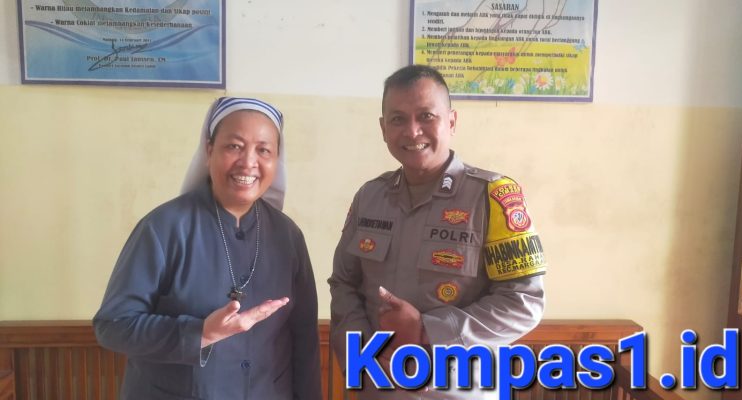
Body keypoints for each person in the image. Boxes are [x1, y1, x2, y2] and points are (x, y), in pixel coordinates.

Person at [328, 65, 546, 399]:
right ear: (383, 128)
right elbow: (344, 283)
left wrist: (429, 331)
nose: (412, 131)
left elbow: (524, 301)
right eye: (398, 119)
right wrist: (362, 353)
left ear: (452, 122)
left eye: (426, 116)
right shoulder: (369, 197)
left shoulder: (493, 196)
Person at [94, 97, 321, 400]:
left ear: (276, 159)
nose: (248, 162)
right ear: (209, 149)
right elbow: (112, 326)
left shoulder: (288, 235)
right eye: (234, 146)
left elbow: (304, 339)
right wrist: (200, 333)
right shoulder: (163, 227)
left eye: (263, 150)